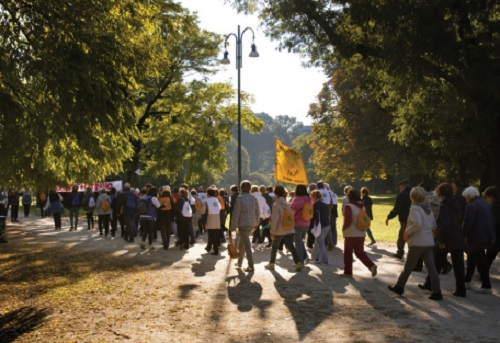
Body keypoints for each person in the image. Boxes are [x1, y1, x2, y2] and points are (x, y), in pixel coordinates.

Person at [388, 186, 442, 300]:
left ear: (412, 197)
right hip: (428, 241)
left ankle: (399, 287)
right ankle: (437, 291)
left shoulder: (415, 208)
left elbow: (417, 224)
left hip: (418, 241)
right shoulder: (428, 208)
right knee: (431, 268)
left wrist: (407, 232)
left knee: (408, 267)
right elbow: (433, 225)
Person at [419, 183, 466, 297]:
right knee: (458, 265)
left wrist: (441, 241)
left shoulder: (444, 206)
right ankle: (461, 289)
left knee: (437, 262)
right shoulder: (456, 204)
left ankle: (430, 284)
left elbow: (445, 225)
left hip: (447, 238)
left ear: (440, 193)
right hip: (458, 237)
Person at [463, 186, 496, 294]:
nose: (466, 199)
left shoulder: (471, 205)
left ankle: (486, 285)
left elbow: (468, 223)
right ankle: (467, 280)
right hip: (484, 236)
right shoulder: (484, 204)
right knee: (472, 258)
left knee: (480, 261)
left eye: (466, 197)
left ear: (469, 196)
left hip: (475, 237)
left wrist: (464, 235)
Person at [265, 185, 303, 271]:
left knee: (274, 247)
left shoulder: (276, 205)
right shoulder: (287, 203)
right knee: (291, 247)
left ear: (275, 193)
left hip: (279, 230)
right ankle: (298, 262)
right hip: (289, 228)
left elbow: (275, 219)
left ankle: (271, 263)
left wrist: (272, 231)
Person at [342, 188, 378, 277]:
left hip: (351, 233)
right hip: (361, 232)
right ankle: (371, 265)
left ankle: (348, 272)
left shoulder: (348, 206)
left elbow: (348, 220)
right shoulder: (362, 206)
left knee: (347, 253)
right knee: (360, 252)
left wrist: (344, 228)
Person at [230, 180, 260, 273]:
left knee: (246, 244)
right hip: (251, 223)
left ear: (241, 188)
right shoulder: (254, 198)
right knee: (242, 244)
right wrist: (257, 223)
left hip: (243, 224)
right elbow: (257, 212)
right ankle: (239, 263)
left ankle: (251, 265)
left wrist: (233, 226)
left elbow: (236, 213)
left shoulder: (240, 198)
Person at [385, 179, 411, 259]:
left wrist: (389, 216)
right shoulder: (414, 193)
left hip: (405, 218)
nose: (400, 187)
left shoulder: (402, 195)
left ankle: (400, 252)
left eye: (400, 186)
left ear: (403, 185)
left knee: (402, 236)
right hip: (415, 218)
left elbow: (397, 208)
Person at [290, 184, 311, 264]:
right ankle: (305, 257)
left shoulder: (296, 199)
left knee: (298, 242)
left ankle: (300, 262)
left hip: (298, 223)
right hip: (307, 223)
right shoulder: (309, 199)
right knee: (300, 241)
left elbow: (292, 209)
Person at [309, 190, 330, 265]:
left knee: (320, 243)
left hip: (320, 226)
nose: (311, 198)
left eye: (311, 196)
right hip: (326, 225)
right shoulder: (324, 204)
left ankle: (324, 261)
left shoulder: (316, 205)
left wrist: (311, 226)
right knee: (317, 242)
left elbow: (315, 217)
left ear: (314, 197)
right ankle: (315, 258)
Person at [483, 186, 500, 268]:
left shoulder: (496, 208)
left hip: (496, 236)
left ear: (492, 197)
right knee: (490, 254)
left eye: (487, 197)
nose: (487, 200)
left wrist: (491, 236)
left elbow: (494, 223)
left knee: (490, 254)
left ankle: (483, 273)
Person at [203, 187, 221, 255]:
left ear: (208, 193)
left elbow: (203, 210)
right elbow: (219, 207)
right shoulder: (216, 199)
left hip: (210, 217)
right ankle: (208, 247)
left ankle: (216, 250)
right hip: (217, 217)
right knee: (213, 234)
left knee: (211, 234)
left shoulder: (207, 200)